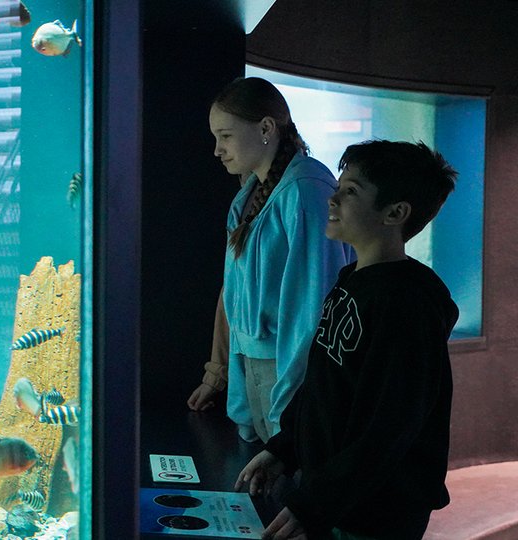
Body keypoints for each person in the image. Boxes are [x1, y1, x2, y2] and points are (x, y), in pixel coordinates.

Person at [235, 140, 459, 540]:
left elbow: (390, 426)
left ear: (395, 213)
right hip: (338, 502)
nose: (333, 198)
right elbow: (323, 386)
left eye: (350, 191)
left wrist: (315, 504)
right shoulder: (351, 279)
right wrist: (284, 449)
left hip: (374, 515)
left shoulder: (407, 304)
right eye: (339, 186)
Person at [188, 77, 353, 443]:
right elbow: (233, 292)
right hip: (255, 372)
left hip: (289, 376)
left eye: (226, 136)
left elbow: (313, 308)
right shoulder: (248, 195)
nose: (217, 150)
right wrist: (218, 373)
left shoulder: (305, 190)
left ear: (265, 128)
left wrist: (288, 410)